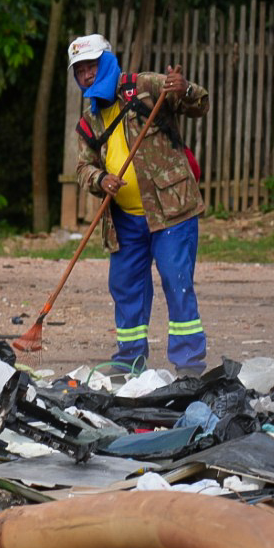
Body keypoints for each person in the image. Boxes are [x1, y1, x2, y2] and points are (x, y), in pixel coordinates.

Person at [68, 33, 210, 376]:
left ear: (106, 62)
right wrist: (101, 181)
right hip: (124, 219)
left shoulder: (145, 86)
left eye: (91, 67)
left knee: (176, 280)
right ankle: (129, 360)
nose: (87, 75)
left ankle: (189, 363)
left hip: (171, 210)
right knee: (125, 285)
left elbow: (198, 105)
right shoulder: (90, 119)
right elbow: (83, 167)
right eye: (80, 71)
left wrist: (184, 88)